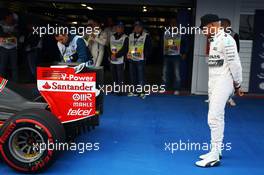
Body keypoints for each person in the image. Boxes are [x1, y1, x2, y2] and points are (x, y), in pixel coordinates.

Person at [195, 14, 243, 167]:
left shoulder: (227, 40)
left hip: (223, 82)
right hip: (215, 82)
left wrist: (238, 84)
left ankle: (214, 156)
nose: (203, 31)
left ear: (212, 26)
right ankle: (215, 150)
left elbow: (235, 64)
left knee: (213, 118)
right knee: (218, 117)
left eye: (204, 28)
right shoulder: (214, 39)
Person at [162, 18, 188, 95]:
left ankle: (177, 89)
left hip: (176, 56)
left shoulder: (180, 33)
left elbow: (186, 43)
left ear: (177, 25)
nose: (173, 25)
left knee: (177, 73)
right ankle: (164, 88)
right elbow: (162, 43)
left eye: (174, 24)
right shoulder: (166, 33)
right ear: (170, 25)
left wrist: (185, 53)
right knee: (165, 72)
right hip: (167, 55)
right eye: (172, 24)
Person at [127, 21, 151, 99]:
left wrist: (145, 56)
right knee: (132, 76)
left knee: (141, 76)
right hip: (131, 59)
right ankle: (134, 91)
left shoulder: (146, 36)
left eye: (139, 26)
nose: (137, 28)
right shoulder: (130, 36)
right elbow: (128, 46)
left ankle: (142, 92)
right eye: (136, 26)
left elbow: (149, 47)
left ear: (142, 28)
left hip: (141, 59)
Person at [221, 18, 240, 106]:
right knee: (218, 80)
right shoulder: (218, 34)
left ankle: (230, 98)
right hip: (220, 62)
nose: (222, 25)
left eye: (224, 24)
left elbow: (237, 50)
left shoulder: (234, 35)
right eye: (221, 24)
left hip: (230, 62)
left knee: (231, 81)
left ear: (229, 25)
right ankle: (214, 98)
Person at [109, 21, 128, 95]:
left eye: (121, 27)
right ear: (116, 28)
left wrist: (115, 55)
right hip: (112, 59)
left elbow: (125, 49)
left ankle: (121, 90)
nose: (119, 28)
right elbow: (109, 46)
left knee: (120, 77)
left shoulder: (125, 37)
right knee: (113, 76)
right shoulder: (112, 36)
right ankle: (114, 89)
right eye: (118, 27)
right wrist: (110, 55)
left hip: (120, 60)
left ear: (123, 29)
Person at [0, 10, 18, 82]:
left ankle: (15, 84)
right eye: (10, 17)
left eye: (12, 17)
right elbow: (2, 36)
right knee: (2, 66)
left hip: (13, 48)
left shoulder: (15, 26)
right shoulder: (1, 25)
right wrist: (9, 35)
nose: (11, 18)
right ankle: (1, 83)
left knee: (14, 67)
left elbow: (16, 37)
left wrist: (8, 36)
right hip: (3, 48)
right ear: (6, 17)